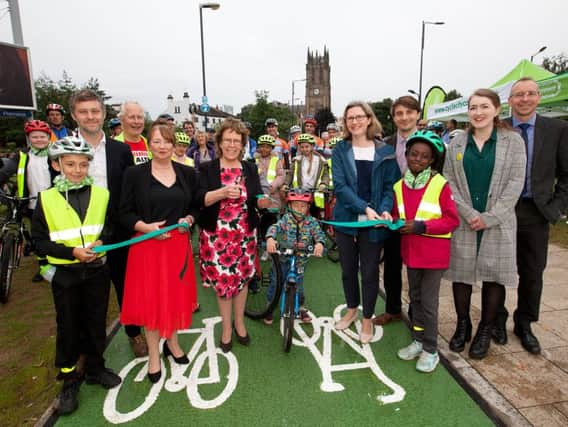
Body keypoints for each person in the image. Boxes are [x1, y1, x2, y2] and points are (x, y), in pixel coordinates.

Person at [32, 136, 121, 415]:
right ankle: (69, 377)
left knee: (96, 320)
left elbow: (110, 227)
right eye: (70, 164)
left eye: (83, 164)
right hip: (66, 273)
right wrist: (72, 251)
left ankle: (95, 366)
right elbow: (39, 241)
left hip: (96, 270)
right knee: (68, 325)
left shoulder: (101, 194)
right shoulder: (46, 199)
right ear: (57, 165)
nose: (77, 170)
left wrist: (100, 242)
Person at [443, 88, 526, 360]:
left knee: (493, 277)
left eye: (484, 107)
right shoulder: (456, 144)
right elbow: (450, 183)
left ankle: (485, 330)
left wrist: (489, 217)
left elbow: (516, 183)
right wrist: (467, 213)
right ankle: (462, 324)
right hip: (464, 221)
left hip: (497, 222)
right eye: (473, 107)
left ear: (497, 110)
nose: (478, 113)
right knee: (461, 275)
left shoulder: (513, 142)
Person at [119, 120, 199, 383]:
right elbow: (124, 213)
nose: (162, 146)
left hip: (177, 247)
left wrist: (188, 219)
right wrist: (146, 227)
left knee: (174, 298)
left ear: (174, 144)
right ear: (149, 144)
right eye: (156, 141)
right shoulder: (134, 174)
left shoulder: (186, 173)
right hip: (147, 247)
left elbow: (196, 207)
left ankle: (172, 343)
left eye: (166, 141)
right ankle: (154, 354)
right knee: (151, 301)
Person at [492, 77, 568, 354]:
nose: (524, 99)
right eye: (518, 95)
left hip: (536, 211)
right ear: (509, 101)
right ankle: (495, 319)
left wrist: (558, 205)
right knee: (497, 270)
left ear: (538, 97)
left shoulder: (557, 129)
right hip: (501, 211)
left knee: (533, 272)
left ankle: (524, 323)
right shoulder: (496, 128)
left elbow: (566, 174)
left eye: (530, 94)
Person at [68, 89, 142, 357]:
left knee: (125, 286)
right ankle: (91, 353)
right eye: (84, 112)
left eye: (95, 111)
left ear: (103, 113)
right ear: (74, 115)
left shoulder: (121, 150)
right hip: (78, 234)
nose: (90, 116)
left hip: (118, 231)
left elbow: (128, 192)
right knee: (87, 299)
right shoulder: (65, 147)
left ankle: (134, 333)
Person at [198, 118, 270, 353]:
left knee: (242, 280)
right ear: (219, 142)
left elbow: (257, 196)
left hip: (244, 234)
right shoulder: (208, 168)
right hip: (217, 236)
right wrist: (221, 192)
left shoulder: (249, 167)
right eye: (227, 140)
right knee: (223, 284)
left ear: (242, 144)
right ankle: (226, 327)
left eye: (236, 141)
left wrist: (262, 201)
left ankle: (239, 323)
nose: (231, 145)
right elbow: (199, 200)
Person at [332, 101, 400, 343]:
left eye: (359, 116)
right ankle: (352, 309)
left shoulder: (385, 151)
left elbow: (389, 188)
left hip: (373, 223)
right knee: (348, 270)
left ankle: (367, 318)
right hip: (346, 220)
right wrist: (364, 208)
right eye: (350, 118)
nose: (355, 121)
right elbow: (340, 187)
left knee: (369, 272)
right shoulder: (340, 150)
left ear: (369, 119)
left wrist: (382, 211)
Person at [392, 130, 459, 372]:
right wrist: (392, 220)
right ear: (406, 154)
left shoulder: (440, 184)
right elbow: (398, 214)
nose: (417, 159)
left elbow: (452, 220)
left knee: (429, 304)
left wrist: (422, 226)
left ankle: (431, 349)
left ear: (432, 160)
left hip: (433, 255)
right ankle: (419, 340)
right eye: (413, 154)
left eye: (424, 156)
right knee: (416, 300)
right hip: (411, 253)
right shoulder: (399, 185)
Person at [375, 95, 420, 326]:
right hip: (391, 214)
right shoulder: (386, 145)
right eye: (399, 113)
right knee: (392, 265)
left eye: (409, 112)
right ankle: (393, 309)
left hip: (420, 215)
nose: (404, 117)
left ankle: (417, 312)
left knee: (417, 268)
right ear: (393, 117)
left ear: (418, 115)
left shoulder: (431, 142)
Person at [0, 120, 58, 282]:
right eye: (35, 137)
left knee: (56, 235)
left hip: (54, 201)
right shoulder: (22, 155)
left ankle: (58, 262)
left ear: (48, 137)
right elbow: (7, 171)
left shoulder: (55, 153)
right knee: (38, 235)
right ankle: (43, 265)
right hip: (32, 202)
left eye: (42, 136)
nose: (39, 140)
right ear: (28, 138)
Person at [264, 190, 326, 324]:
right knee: (276, 283)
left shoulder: (312, 222)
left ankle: (300, 307)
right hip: (283, 259)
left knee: (299, 286)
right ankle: (270, 306)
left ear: (308, 207)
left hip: (300, 261)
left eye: (303, 206)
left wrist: (319, 244)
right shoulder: (286, 219)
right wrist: (270, 238)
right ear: (290, 206)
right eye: (296, 205)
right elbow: (275, 227)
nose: (299, 209)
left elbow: (319, 234)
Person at [286, 133, 330, 215]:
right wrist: (285, 184)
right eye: (302, 147)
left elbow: (325, 175)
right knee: (298, 215)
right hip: (299, 193)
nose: (304, 149)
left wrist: (323, 184)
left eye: (307, 147)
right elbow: (290, 174)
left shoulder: (321, 160)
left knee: (315, 216)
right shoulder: (296, 160)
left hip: (315, 193)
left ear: (312, 147)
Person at [255, 134, 285, 237]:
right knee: (258, 217)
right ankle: (258, 237)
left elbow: (281, 175)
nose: (264, 149)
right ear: (258, 147)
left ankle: (269, 238)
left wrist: (275, 184)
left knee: (270, 218)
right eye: (262, 146)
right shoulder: (254, 161)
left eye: (267, 147)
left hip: (272, 194)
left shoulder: (276, 160)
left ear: (271, 148)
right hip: (258, 194)